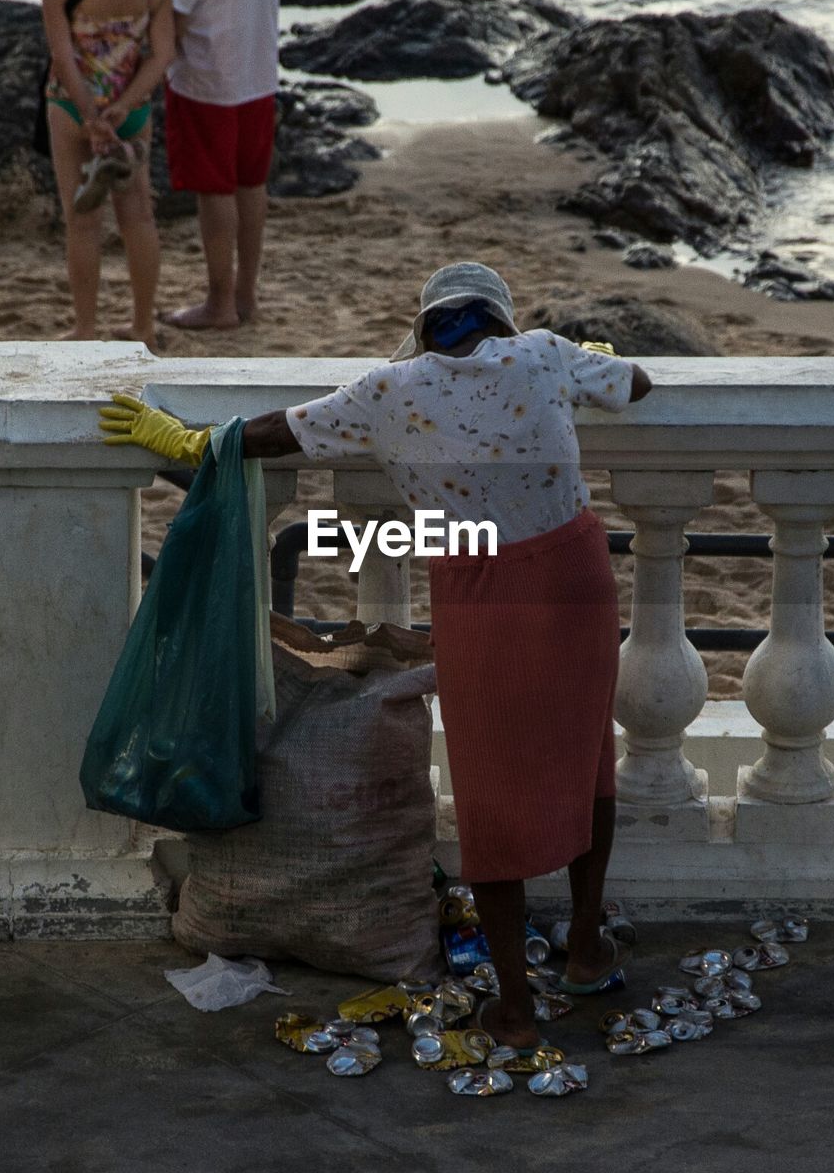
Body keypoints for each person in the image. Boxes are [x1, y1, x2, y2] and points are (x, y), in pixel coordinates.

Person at [99, 263, 653, 1053]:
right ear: (499, 318)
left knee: (491, 784)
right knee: (586, 755)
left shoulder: (386, 393)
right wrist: (580, 358)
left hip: (479, 585)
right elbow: (637, 386)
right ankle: (590, 948)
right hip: (574, 571)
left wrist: (187, 440)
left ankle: (517, 1006)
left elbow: (270, 434)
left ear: (423, 328)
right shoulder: (544, 354)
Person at [148, 0, 291, 331]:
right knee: (250, 181)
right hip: (258, 62)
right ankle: (245, 294)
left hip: (207, 70)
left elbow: (177, 10)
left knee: (215, 187)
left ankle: (220, 302)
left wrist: (148, 69)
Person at [43, 0, 175, 350]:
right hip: (130, 111)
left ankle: (84, 328)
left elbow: (63, 57)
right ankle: (142, 326)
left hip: (70, 109)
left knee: (81, 219)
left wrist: (91, 116)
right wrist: (122, 108)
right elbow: (162, 55)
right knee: (138, 216)